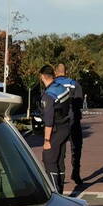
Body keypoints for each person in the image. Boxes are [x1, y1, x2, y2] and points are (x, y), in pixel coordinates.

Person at [38, 65, 72, 193]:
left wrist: (47, 140)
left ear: (42, 76)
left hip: (55, 131)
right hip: (65, 128)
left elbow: (49, 120)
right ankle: (60, 190)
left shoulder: (49, 95)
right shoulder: (62, 88)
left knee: (49, 160)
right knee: (59, 160)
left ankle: (55, 192)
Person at [54, 63, 84, 184]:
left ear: (56, 72)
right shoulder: (74, 84)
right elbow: (79, 103)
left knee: (60, 149)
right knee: (76, 147)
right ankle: (76, 173)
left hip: (59, 122)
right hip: (73, 120)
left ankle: (59, 175)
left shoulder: (53, 85)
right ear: (66, 72)